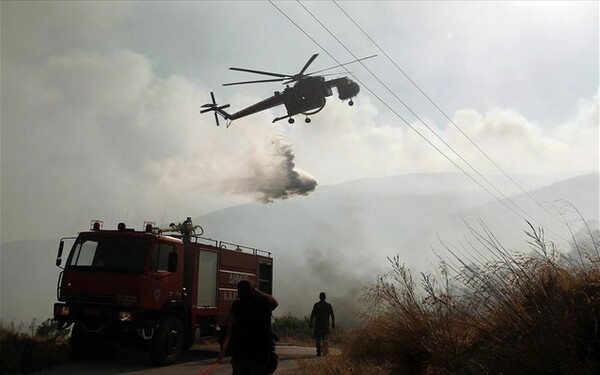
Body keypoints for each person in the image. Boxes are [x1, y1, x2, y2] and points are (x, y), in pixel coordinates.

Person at [218, 280, 278, 375]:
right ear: (252, 290)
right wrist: (258, 292)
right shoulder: (263, 302)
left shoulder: (237, 306)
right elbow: (275, 302)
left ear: (239, 292)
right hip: (258, 358)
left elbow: (229, 332)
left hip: (239, 357)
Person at [309, 292, 335, 356]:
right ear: (325, 297)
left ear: (319, 297)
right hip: (326, 325)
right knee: (325, 338)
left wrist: (310, 323)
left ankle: (319, 351)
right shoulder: (328, 305)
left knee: (318, 338)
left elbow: (313, 315)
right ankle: (325, 351)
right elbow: (332, 315)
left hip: (318, 325)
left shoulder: (316, 305)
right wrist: (333, 323)